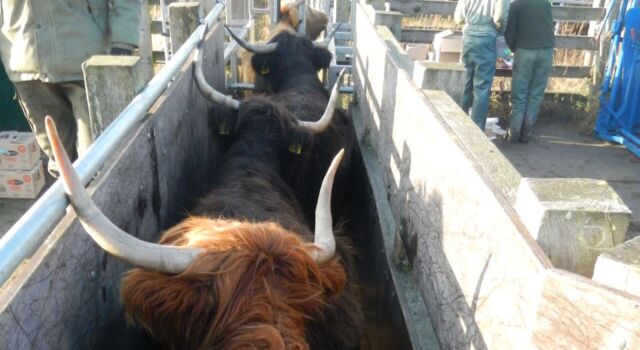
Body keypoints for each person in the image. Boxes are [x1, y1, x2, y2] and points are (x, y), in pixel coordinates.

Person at [0, 1, 141, 176]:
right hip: (26, 65)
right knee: (61, 161)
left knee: (96, 161)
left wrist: (123, 44)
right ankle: (72, 201)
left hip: (87, 62)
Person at [504, 0, 555, 143]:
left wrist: (514, 49)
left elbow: (510, 33)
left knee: (519, 94)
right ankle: (527, 133)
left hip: (525, 50)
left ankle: (514, 133)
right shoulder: (545, 3)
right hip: (547, 50)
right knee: (536, 94)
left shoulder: (516, 4)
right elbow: (551, 26)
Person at [454, 0, 509, 130]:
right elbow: (500, 16)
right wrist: (499, 30)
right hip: (487, 37)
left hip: (468, 36)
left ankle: (458, 124)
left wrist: (469, 25)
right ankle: (476, 130)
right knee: (482, 87)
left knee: (464, 83)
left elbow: (458, 17)